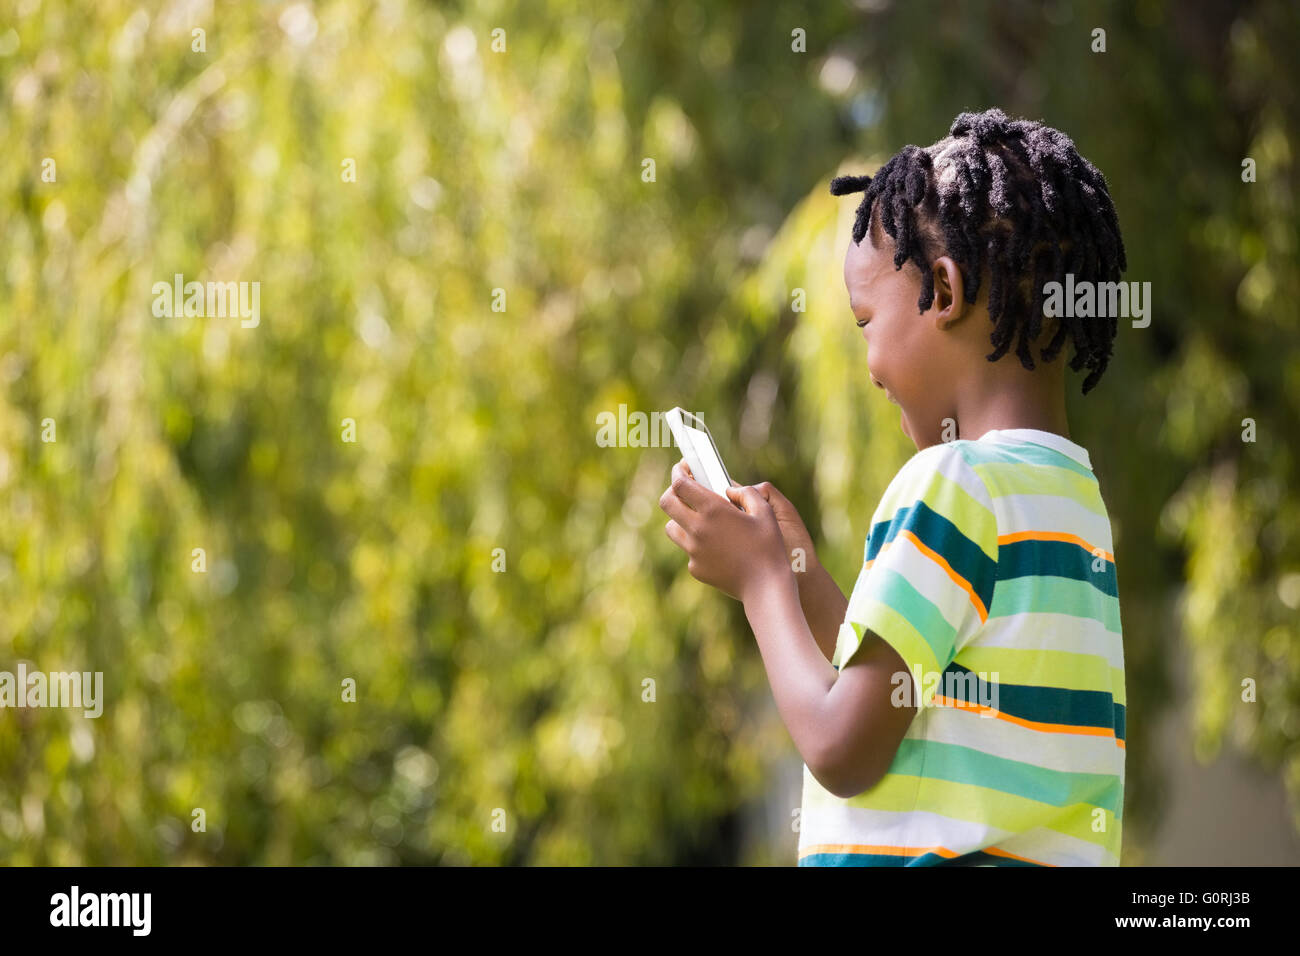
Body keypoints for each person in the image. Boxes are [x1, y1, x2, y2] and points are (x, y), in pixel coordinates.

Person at [660, 108, 1128, 866]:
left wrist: (760, 584)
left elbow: (843, 746)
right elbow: (917, 697)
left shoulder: (951, 483)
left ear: (943, 293)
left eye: (866, 321)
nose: (868, 365)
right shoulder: (1071, 504)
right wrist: (803, 580)